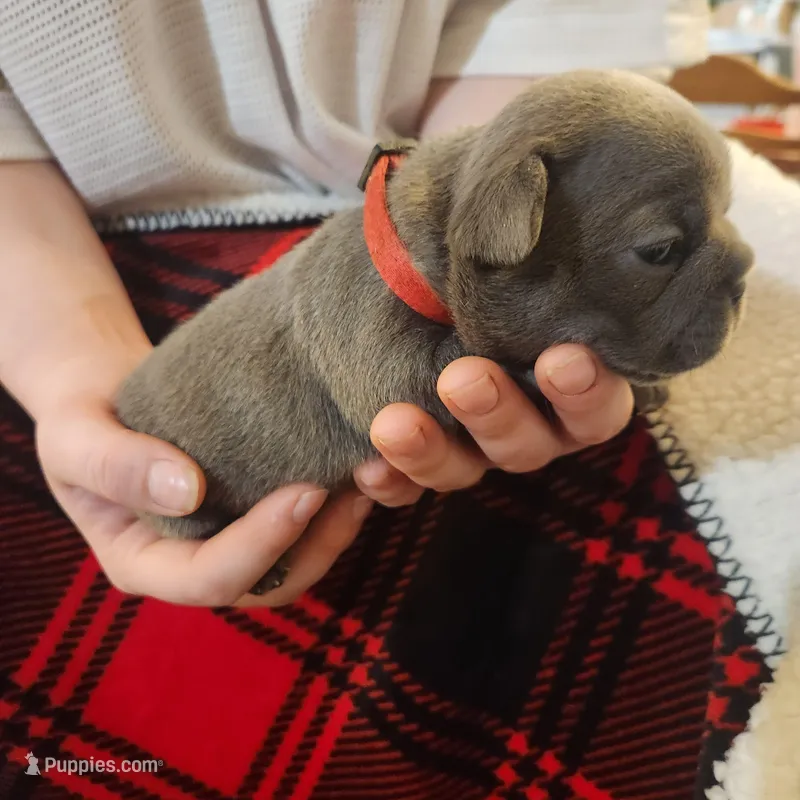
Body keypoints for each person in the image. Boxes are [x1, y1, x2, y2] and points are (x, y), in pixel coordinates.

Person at [0, 0, 711, 607]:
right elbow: (394, 392)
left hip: (425, 208)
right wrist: (69, 377)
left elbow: (538, 45)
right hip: (60, 290)